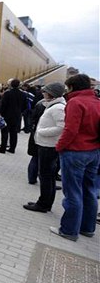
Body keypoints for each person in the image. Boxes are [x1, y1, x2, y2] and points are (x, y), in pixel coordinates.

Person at [51, 74, 100, 241]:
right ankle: (87, 227)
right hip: (93, 151)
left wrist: (59, 147)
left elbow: (70, 130)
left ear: (72, 87)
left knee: (73, 192)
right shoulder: (96, 102)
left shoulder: (75, 102)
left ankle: (69, 230)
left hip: (75, 151)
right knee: (90, 190)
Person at [23, 82, 66, 213]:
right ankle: (45, 201)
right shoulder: (52, 105)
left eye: (45, 91)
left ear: (52, 93)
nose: (43, 93)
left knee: (46, 176)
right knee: (47, 175)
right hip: (46, 144)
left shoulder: (58, 108)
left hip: (48, 145)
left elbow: (61, 127)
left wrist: (42, 131)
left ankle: (43, 204)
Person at [0, 78, 27, 153]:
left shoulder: (7, 93)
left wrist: (0, 113)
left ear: (11, 84)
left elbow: (3, 104)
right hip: (17, 115)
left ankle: (3, 148)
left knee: (5, 132)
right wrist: (20, 111)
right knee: (14, 132)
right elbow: (25, 105)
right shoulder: (23, 94)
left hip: (7, 115)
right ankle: (12, 148)